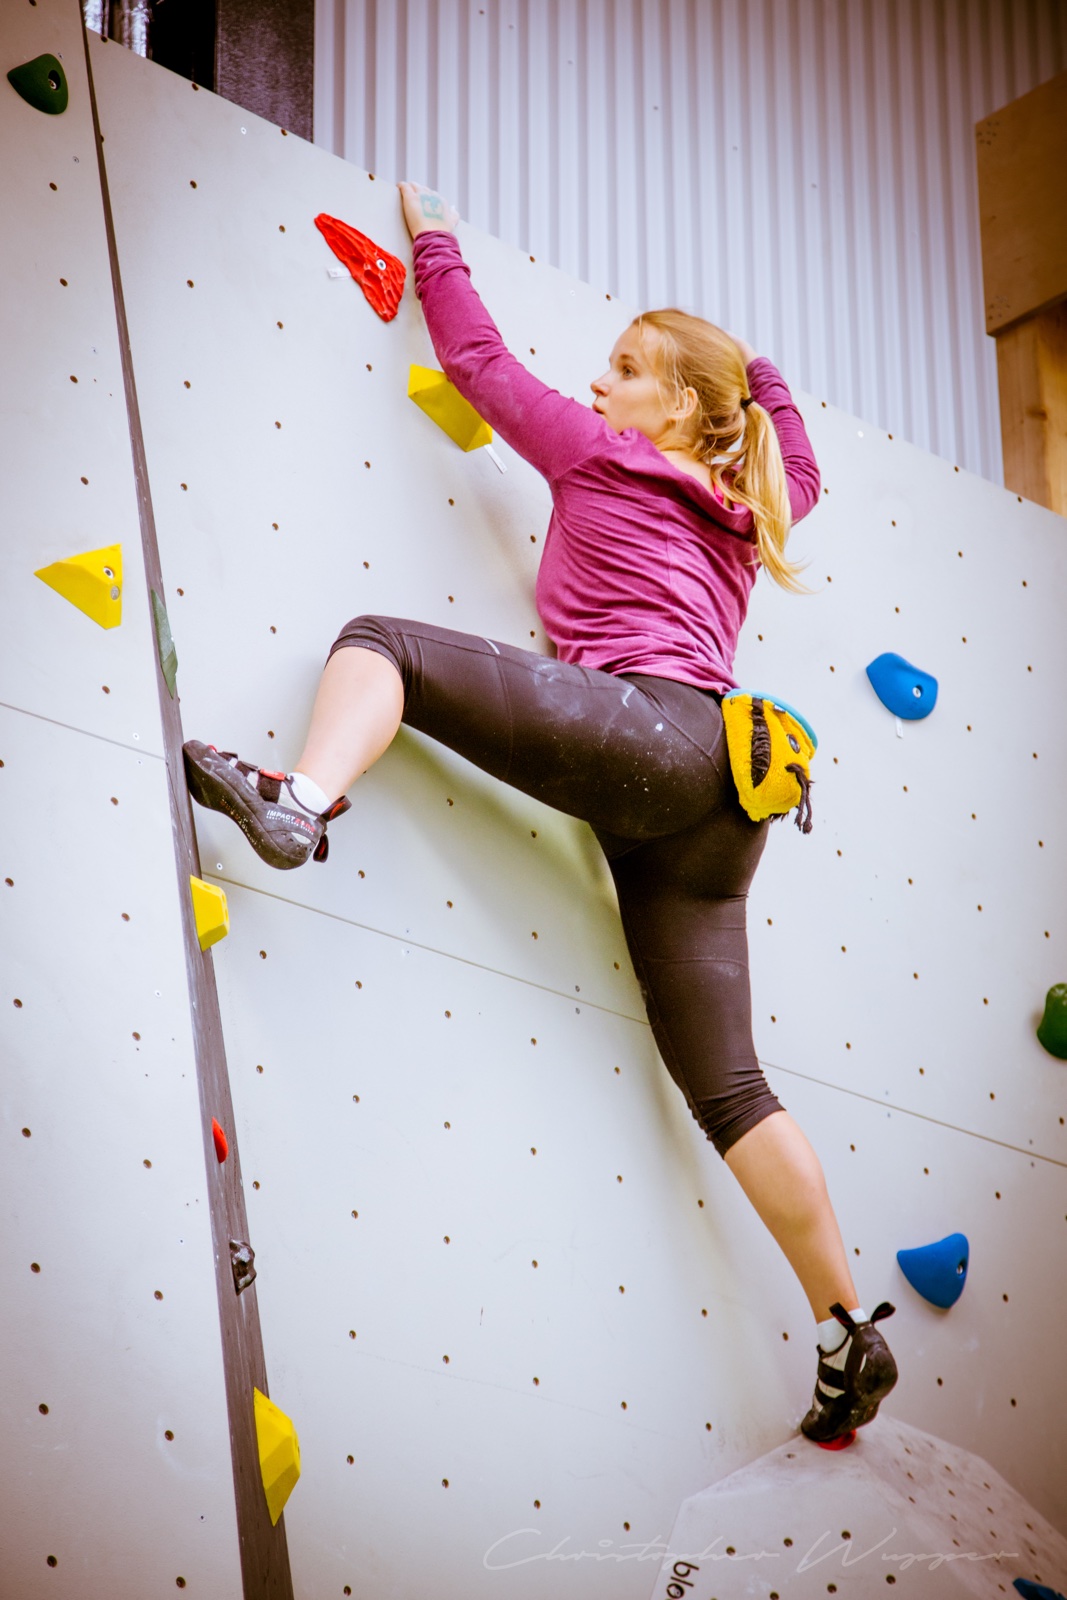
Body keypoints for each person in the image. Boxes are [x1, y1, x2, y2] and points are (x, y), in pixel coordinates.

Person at [183, 181, 897, 1445]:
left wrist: (435, 240)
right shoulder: (744, 518)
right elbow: (800, 464)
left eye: (625, 369)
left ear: (673, 407)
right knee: (728, 1084)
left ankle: (298, 801)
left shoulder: (600, 449)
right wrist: (765, 372)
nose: (601, 381)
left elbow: (471, 356)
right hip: (722, 803)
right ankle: (846, 1331)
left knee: (378, 642)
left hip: (655, 738)